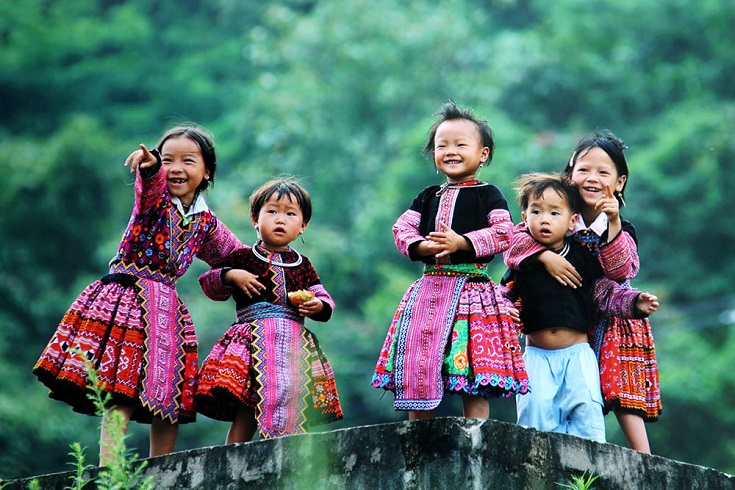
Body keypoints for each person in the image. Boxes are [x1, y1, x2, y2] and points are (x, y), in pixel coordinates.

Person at [33, 125, 243, 465]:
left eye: (188, 161)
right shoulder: (154, 201)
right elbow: (151, 184)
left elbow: (236, 254)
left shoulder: (207, 223)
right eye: (168, 159)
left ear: (207, 171)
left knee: (170, 394)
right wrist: (150, 166)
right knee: (122, 389)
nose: (176, 168)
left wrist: (271, 259)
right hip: (128, 298)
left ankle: (162, 468)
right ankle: (109, 469)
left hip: (168, 311)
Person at [371, 100, 530, 421]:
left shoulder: (490, 194)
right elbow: (401, 228)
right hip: (428, 291)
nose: (450, 151)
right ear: (433, 155)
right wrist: (419, 246)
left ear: (483, 154)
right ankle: (417, 437)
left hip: (474, 291)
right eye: (442, 145)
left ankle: (477, 435)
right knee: (416, 364)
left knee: (472, 370)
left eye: (460, 144)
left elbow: (503, 233)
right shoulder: (427, 196)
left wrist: (462, 242)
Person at [504, 131, 661, 452]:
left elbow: (620, 272)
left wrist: (613, 220)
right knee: (540, 407)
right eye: (584, 170)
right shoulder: (548, 217)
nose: (592, 178)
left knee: (610, 391)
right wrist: (544, 254)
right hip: (551, 329)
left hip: (615, 310)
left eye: (603, 172)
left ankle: (644, 457)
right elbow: (512, 242)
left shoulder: (617, 227)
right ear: (570, 174)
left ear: (619, 182)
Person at [195, 177, 342, 442]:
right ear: (255, 219)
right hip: (251, 343)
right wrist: (231, 276)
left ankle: (288, 462)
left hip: (292, 345)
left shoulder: (303, 264)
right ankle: (232, 463)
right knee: (246, 404)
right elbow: (209, 283)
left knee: (292, 400)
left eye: (290, 214)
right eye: (272, 211)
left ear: (302, 226)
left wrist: (316, 305)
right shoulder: (242, 258)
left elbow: (324, 299)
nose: (280, 219)